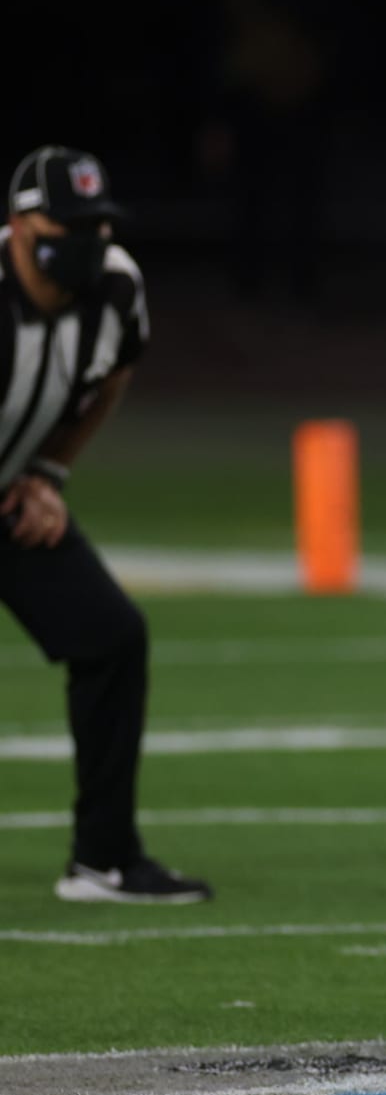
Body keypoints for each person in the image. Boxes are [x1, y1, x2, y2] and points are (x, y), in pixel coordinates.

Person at [2, 145, 213, 905]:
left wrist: (48, 472)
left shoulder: (116, 289)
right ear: (20, 226)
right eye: (69, 223)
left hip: (6, 500)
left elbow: (114, 372)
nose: (88, 241)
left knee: (112, 637)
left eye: (97, 224)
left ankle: (102, 860)